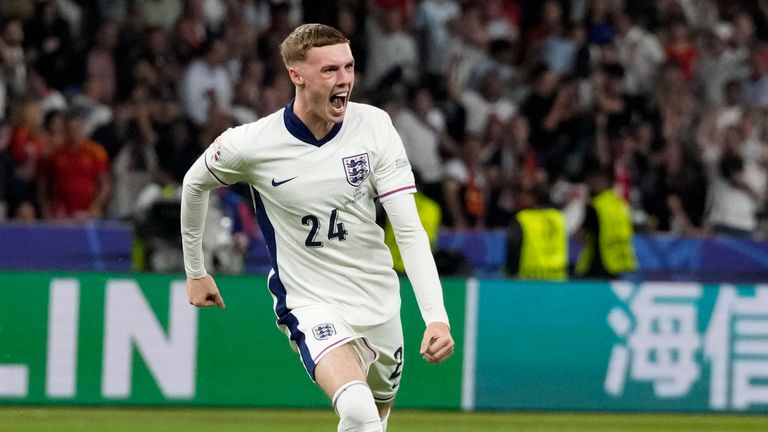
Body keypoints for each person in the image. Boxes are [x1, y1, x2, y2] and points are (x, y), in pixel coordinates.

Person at [180, 24, 454, 432]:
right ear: (297, 75)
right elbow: (194, 182)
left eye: (349, 67)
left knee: (373, 423)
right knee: (358, 410)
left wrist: (436, 316)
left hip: (378, 300)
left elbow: (409, 230)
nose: (343, 79)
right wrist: (196, 271)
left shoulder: (375, 127)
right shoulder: (252, 143)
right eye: (329, 70)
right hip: (309, 301)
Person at [575, 161, 637, 279]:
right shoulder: (620, 204)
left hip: (597, 264)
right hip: (618, 263)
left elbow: (581, 236)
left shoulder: (595, 206)